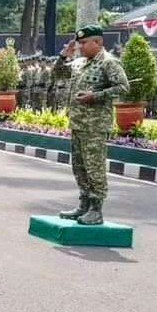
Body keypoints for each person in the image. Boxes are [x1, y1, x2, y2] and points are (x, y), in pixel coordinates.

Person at [55, 25, 129, 225]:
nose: (81, 47)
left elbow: (123, 87)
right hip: (78, 123)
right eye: (79, 43)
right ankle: (84, 204)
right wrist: (63, 56)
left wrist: (95, 96)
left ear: (99, 42)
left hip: (95, 126)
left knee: (94, 167)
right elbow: (58, 75)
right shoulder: (79, 63)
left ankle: (96, 210)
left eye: (85, 43)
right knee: (79, 167)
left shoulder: (109, 62)